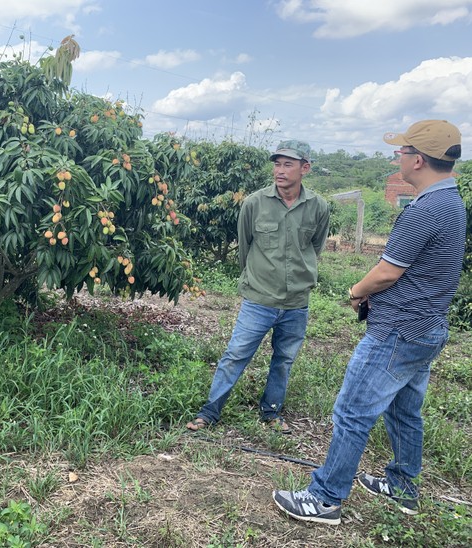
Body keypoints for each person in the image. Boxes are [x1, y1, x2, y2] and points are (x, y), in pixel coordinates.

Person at [273, 120, 466, 525]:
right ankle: (402, 485)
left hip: (398, 330)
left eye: (401, 151)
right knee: (404, 411)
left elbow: (387, 273)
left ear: (417, 159)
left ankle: (325, 498)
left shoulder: (425, 209)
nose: (397, 157)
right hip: (427, 327)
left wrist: (355, 291)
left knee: (352, 412)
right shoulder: (452, 201)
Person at [186, 140, 330, 434]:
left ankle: (271, 412)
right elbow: (244, 248)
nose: (280, 170)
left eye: (288, 164)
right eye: (277, 163)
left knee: (284, 359)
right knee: (236, 354)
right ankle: (209, 412)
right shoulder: (254, 203)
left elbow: (314, 248)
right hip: (258, 299)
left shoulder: (319, 206)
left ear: (305, 168)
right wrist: (255, 279)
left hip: (296, 302)